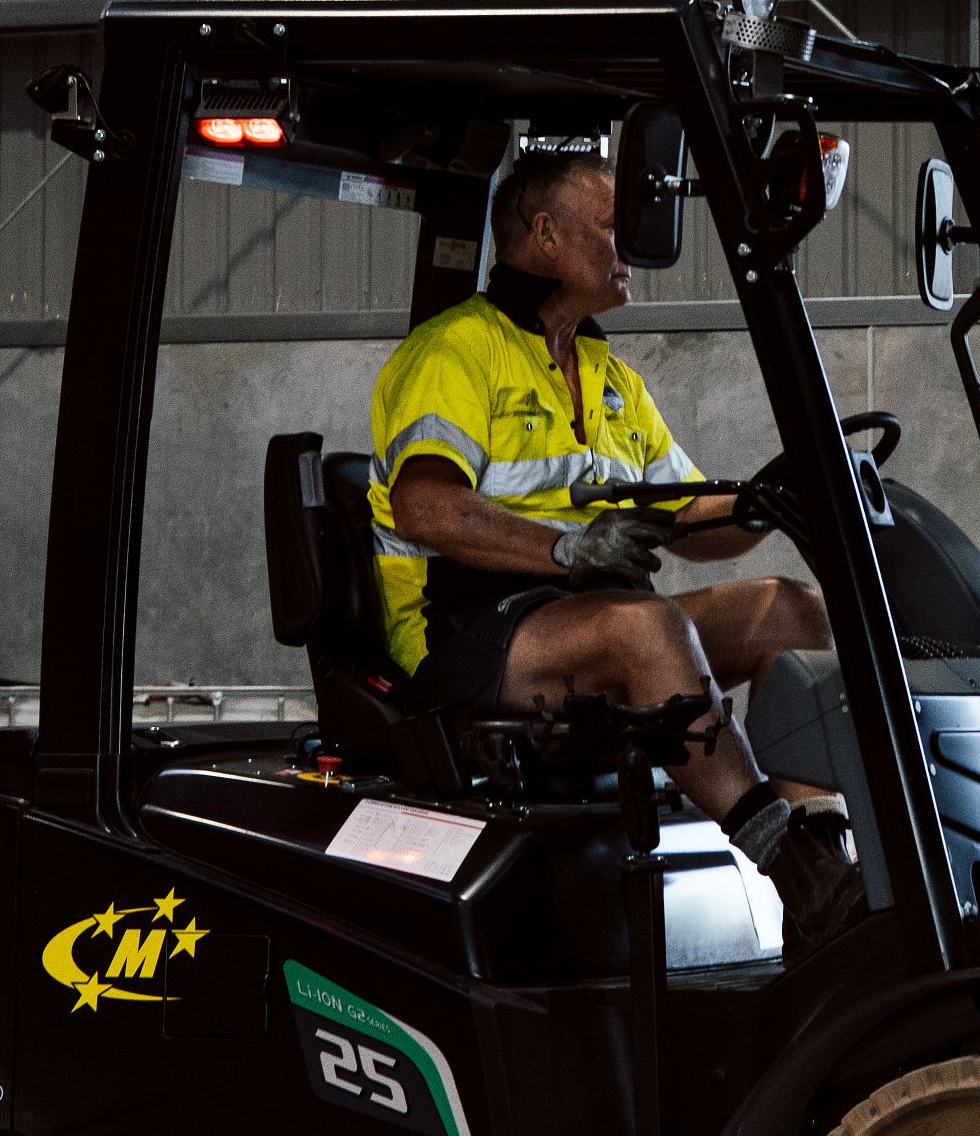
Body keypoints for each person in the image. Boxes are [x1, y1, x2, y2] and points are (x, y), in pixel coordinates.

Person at [367, 147, 864, 950]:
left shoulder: (606, 373)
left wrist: (776, 499)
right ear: (546, 235)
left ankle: (829, 863)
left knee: (785, 609)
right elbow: (425, 507)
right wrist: (569, 551)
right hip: (464, 632)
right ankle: (794, 871)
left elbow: (692, 518)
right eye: (611, 227)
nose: (628, 248)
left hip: (582, 617)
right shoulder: (455, 351)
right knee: (646, 628)